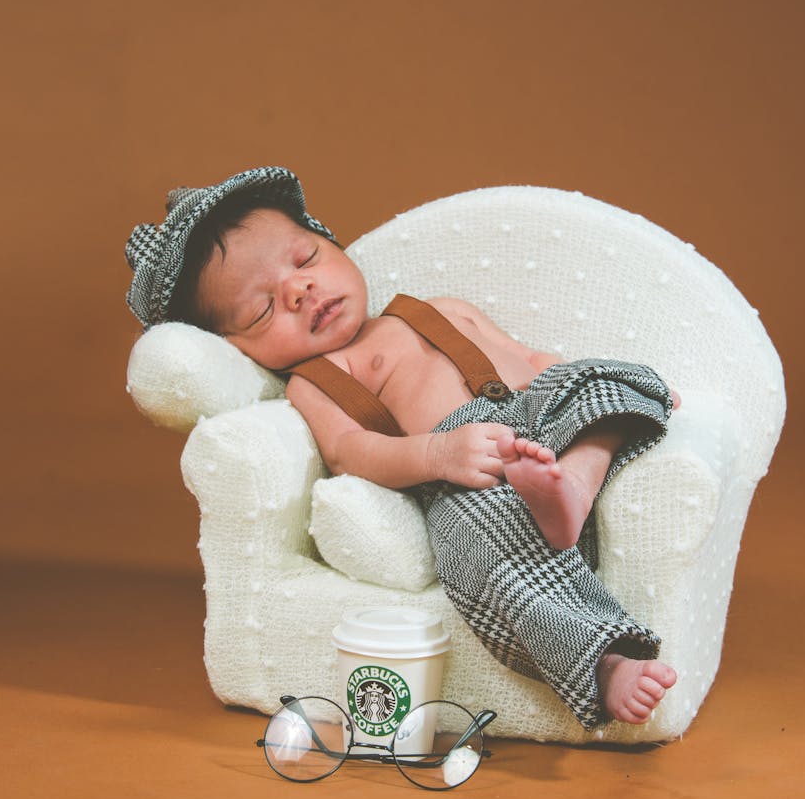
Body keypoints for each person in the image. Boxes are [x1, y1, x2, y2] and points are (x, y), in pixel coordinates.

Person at [124, 166, 680, 730]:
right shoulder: (317, 381)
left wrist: (611, 390)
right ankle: (604, 663)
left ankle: (576, 485)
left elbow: (535, 361)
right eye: (263, 308)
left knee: (599, 380)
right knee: (478, 554)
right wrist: (440, 455)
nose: (299, 291)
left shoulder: (437, 308)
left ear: (332, 243)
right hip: (468, 473)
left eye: (305, 259)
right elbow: (352, 451)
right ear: (238, 347)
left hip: (537, 416)